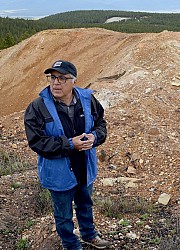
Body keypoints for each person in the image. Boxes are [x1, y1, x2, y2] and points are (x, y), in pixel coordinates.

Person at [24, 60, 111, 250]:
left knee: (85, 205)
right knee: (63, 214)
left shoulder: (87, 100)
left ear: (74, 81)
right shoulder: (38, 107)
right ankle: (70, 245)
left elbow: (101, 124)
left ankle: (89, 235)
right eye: (53, 78)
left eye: (62, 78)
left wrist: (94, 137)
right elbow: (37, 141)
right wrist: (71, 144)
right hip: (58, 171)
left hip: (84, 166)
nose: (56, 83)